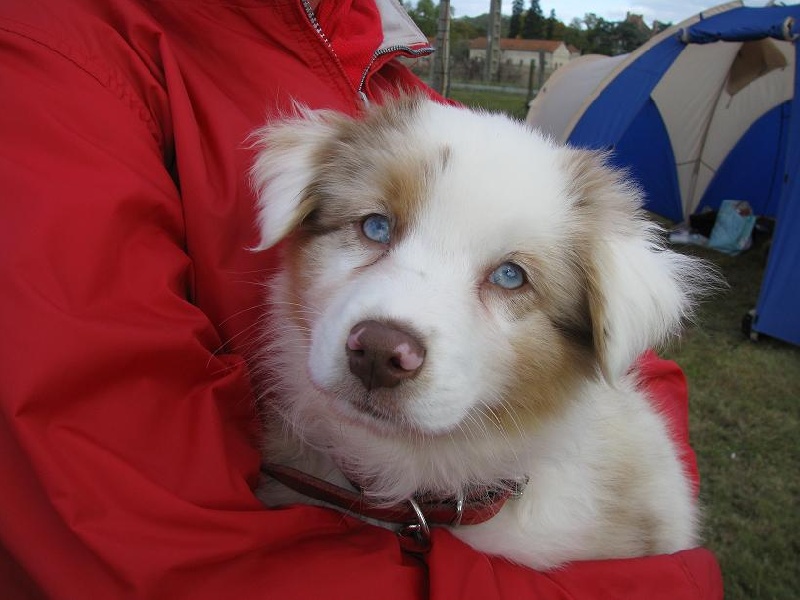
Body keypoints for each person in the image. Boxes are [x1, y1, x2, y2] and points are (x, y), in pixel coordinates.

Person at [0, 0, 723, 597]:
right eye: (374, 228)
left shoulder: (387, 74)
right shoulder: (59, 50)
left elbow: (638, 361)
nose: (390, 336)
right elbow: (117, 519)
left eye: (510, 277)